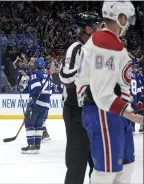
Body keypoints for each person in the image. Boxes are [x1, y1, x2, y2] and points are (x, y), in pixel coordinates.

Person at [75, 1, 144, 183]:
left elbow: (119, 85)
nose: (128, 24)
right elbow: (102, 95)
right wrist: (133, 116)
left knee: (125, 168)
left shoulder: (111, 43)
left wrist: (133, 106)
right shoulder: (104, 44)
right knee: (106, 172)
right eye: (126, 19)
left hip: (115, 112)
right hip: (104, 113)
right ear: (119, 18)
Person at [59, 12, 101, 184]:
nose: (101, 29)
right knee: (77, 161)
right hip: (76, 111)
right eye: (97, 26)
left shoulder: (98, 49)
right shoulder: (76, 48)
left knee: (98, 162)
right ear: (88, 28)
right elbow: (65, 77)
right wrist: (86, 70)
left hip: (94, 110)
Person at [21, 58, 53, 154]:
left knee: (29, 123)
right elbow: (51, 91)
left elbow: (36, 88)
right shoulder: (48, 75)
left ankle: (31, 145)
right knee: (39, 125)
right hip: (45, 104)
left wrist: (33, 99)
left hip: (36, 103)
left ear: (35, 65)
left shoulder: (35, 73)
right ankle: (37, 145)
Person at [130, 64, 144, 133]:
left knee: (130, 113)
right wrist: (138, 99)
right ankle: (132, 127)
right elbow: (139, 89)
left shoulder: (127, 75)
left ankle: (131, 127)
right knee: (133, 113)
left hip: (128, 98)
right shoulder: (136, 76)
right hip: (135, 98)